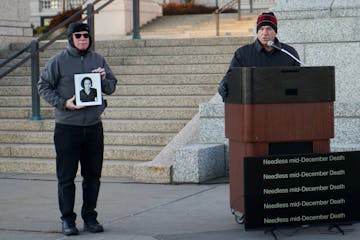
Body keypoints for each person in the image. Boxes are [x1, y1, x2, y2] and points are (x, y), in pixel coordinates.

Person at [38, 22, 117, 236]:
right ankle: (67, 220)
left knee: (93, 176)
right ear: (71, 38)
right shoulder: (58, 61)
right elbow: (42, 86)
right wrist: (64, 103)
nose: (83, 39)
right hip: (67, 128)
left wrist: (104, 79)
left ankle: (90, 217)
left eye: (86, 35)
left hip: (93, 127)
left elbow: (111, 86)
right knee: (66, 177)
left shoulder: (98, 59)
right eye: (78, 36)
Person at [218, 12, 300, 100]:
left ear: (275, 32)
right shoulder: (242, 53)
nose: (265, 33)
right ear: (257, 32)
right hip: (252, 106)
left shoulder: (289, 52)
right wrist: (224, 83)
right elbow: (232, 76)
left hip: (282, 105)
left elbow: (297, 80)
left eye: (269, 29)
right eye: (261, 29)